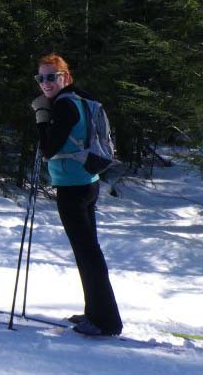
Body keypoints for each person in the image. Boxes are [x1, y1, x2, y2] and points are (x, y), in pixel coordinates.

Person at [30, 53, 123, 337]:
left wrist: (41, 116)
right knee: (88, 251)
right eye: (41, 78)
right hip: (87, 182)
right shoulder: (80, 98)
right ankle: (94, 312)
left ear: (65, 77)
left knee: (88, 254)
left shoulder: (65, 105)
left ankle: (106, 321)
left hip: (73, 187)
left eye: (51, 77)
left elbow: (49, 148)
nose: (45, 83)